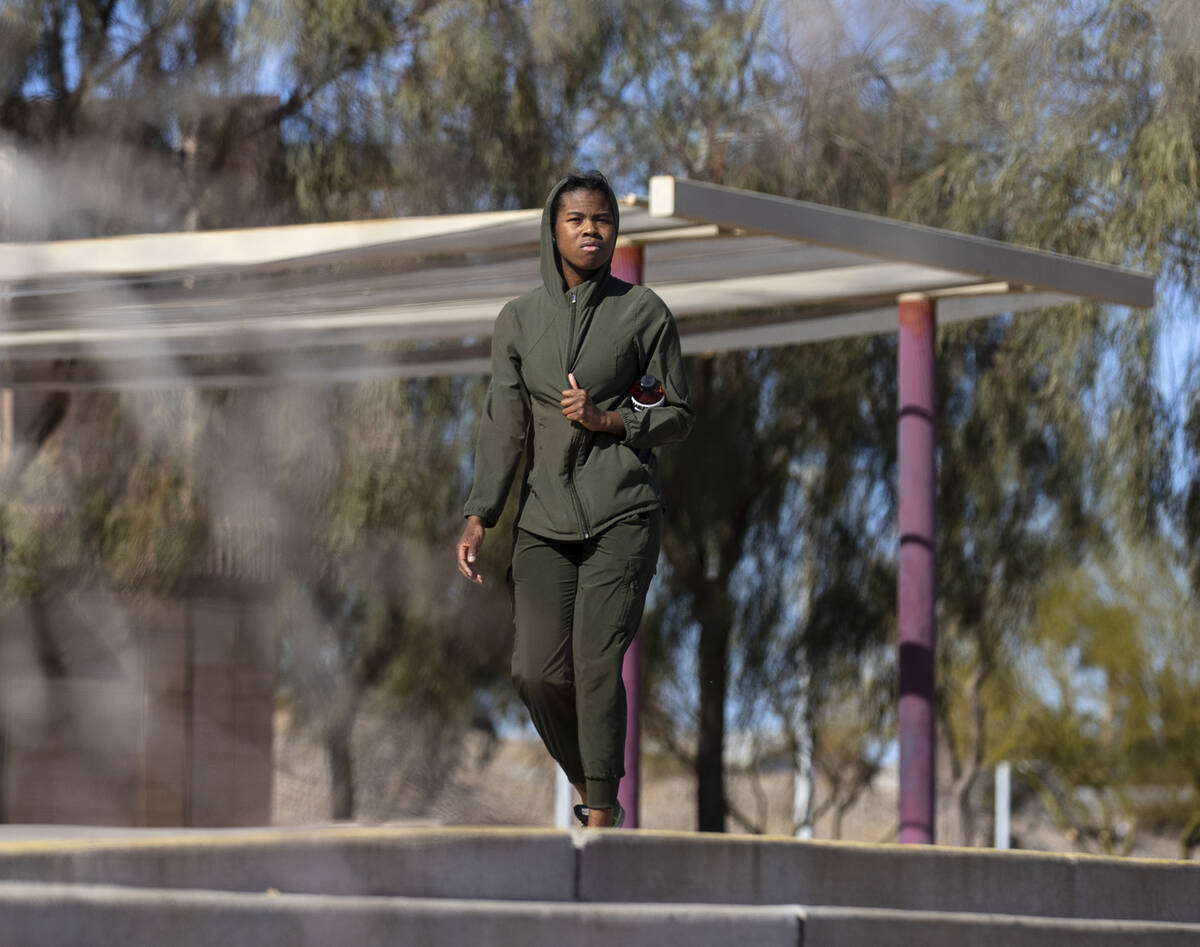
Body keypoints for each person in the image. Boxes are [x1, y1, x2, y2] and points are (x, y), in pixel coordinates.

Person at [455, 170, 694, 828]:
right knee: (535, 672)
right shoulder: (518, 321)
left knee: (595, 662)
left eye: (604, 220)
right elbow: (503, 425)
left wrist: (610, 420)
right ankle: (594, 782)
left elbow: (678, 414)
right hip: (542, 520)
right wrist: (481, 514)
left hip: (622, 513)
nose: (592, 230)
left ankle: (599, 812)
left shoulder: (643, 312)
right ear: (552, 230)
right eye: (577, 220)